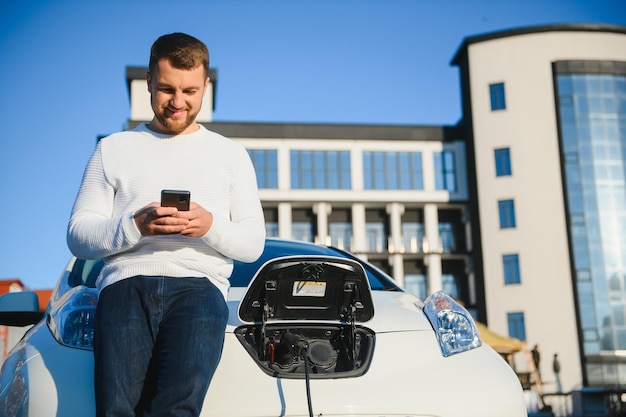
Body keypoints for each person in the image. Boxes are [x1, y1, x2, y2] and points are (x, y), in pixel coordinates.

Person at [67, 32, 266, 417]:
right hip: (125, 289)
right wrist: (135, 224)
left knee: (177, 411)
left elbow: (253, 243)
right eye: (166, 89)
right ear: (148, 83)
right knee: (116, 411)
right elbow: (78, 233)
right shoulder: (113, 148)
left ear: (206, 85)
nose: (178, 102)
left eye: (190, 90)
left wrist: (210, 225)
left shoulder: (231, 156)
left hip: (200, 290)